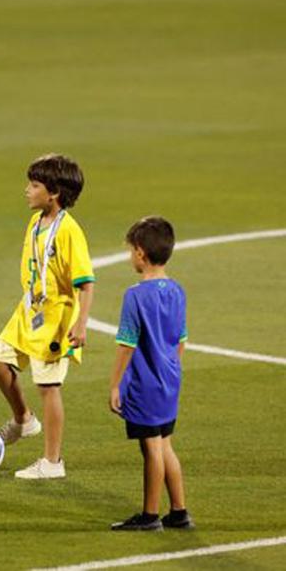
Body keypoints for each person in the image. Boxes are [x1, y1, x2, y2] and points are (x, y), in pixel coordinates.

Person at [0, 154, 95, 479]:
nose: (26, 190)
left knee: (48, 387)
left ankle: (52, 462)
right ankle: (24, 419)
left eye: (34, 185)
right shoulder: (36, 222)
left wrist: (80, 323)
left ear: (54, 193)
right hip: (29, 311)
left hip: (55, 319)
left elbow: (86, 283)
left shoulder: (69, 232)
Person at [109, 217, 193, 531]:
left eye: (131, 250)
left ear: (141, 253)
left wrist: (116, 383)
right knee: (166, 443)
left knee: (151, 448)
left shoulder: (135, 296)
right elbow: (182, 338)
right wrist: (171, 368)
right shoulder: (177, 290)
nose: (130, 255)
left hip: (145, 383)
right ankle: (179, 511)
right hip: (170, 379)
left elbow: (126, 344)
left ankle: (149, 515)